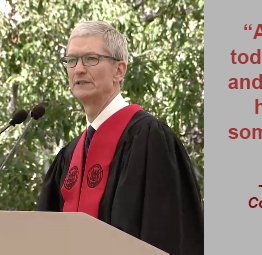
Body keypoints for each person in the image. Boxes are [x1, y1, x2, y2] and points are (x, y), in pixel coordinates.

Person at [37, 21, 203, 255]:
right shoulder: (69, 155)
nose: (79, 69)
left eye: (91, 59)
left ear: (119, 70)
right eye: (71, 60)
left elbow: (169, 236)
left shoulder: (150, 139)